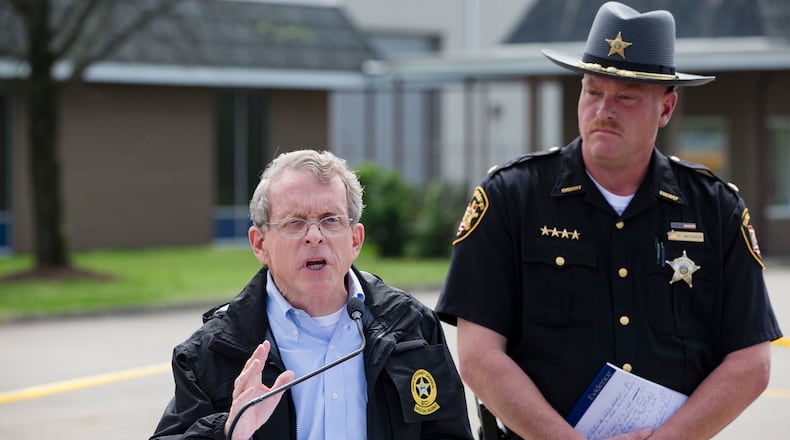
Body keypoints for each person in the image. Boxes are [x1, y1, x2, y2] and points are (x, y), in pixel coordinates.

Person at [436, 2, 783, 439]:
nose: (603, 110)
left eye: (626, 97)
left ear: (666, 107)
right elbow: (479, 355)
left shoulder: (715, 209)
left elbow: (750, 362)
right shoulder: (512, 197)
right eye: (592, 91)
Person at [151, 149, 473, 439]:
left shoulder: (412, 328)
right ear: (260, 244)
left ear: (355, 240)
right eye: (295, 223)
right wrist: (226, 431)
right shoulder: (213, 351)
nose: (315, 236)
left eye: (330, 220)